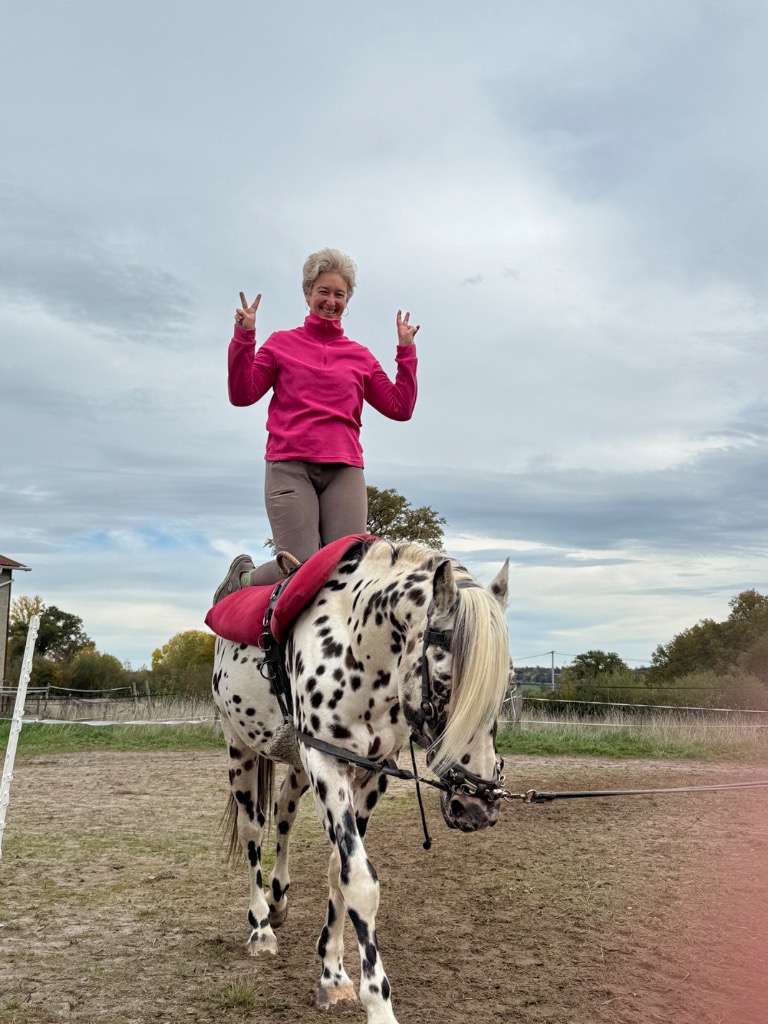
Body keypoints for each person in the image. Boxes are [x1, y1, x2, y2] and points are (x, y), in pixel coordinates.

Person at [213, 247, 419, 602]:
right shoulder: (281, 344)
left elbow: (400, 408)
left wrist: (406, 351)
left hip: (344, 470)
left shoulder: (360, 356)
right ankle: (243, 579)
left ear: (347, 300)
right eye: (323, 291)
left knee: (350, 566)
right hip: (290, 466)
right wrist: (244, 337)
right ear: (308, 294)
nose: (330, 300)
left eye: (339, 294)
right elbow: (242, 394)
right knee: (301, 566)